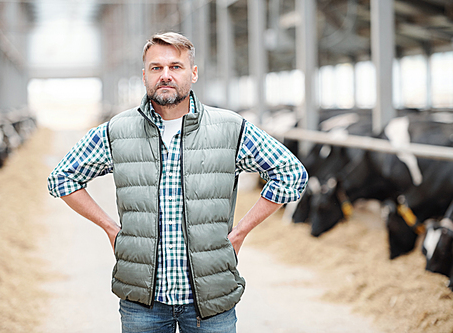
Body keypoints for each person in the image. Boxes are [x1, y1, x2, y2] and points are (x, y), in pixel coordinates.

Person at [47, 32, 308, 333]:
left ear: (193, 73)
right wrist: (110, 228)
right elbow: (62, 178)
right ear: (144, 75)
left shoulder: (229, 129)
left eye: (176, 66)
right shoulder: (117, 131)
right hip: (142, 303)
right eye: (156, 68)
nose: (165, 75)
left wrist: (239, 233)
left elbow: (291, 174)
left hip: (211, 301)